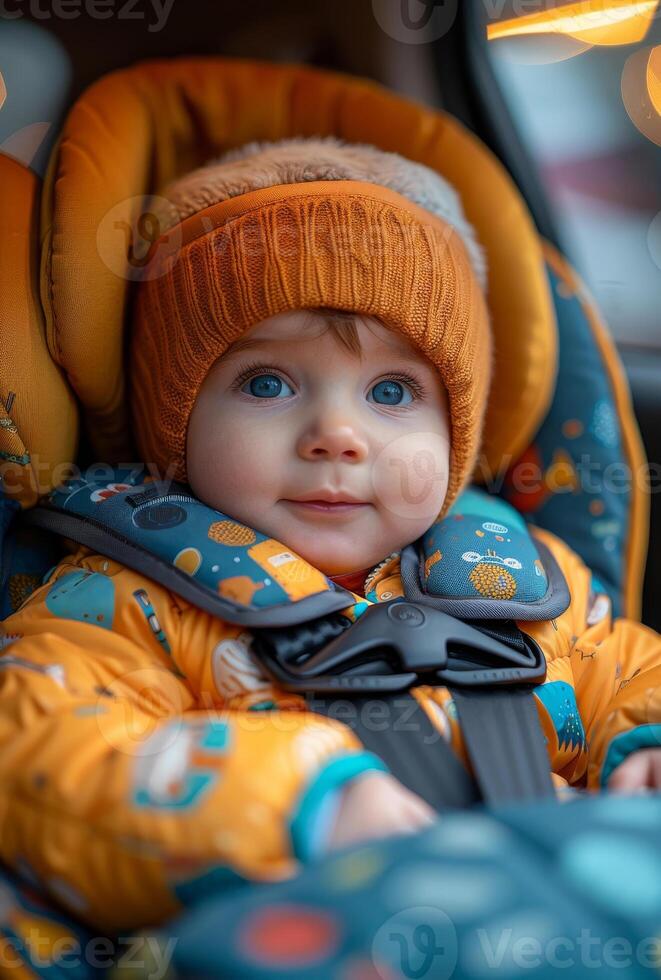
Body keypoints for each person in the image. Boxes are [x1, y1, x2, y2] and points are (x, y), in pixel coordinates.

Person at [1, 137, 660, 932]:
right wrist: (300, 804)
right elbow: (38, 753)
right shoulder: (121, 602)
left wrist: (646, 741)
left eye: (392, 390)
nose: (336, 435)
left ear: (455, 437)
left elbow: (629, 666)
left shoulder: (520, 585)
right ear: (176, 423)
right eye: (267, 383)